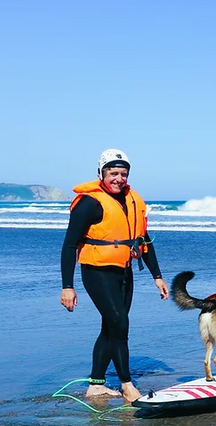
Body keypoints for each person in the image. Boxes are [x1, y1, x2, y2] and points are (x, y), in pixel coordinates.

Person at [60, 149, 169, 402]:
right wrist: (67, 286)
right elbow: (68, 246)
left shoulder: (133, 200)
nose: (118, 178)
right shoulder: (89, 203)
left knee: (111, 326)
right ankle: (127, 384)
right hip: (96, 271)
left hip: (124, 272)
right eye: (113, 173)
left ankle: (96, 384)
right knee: (120, 324)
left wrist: (157, 276)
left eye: (123, 173)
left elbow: (143, 241)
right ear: (101, 174)